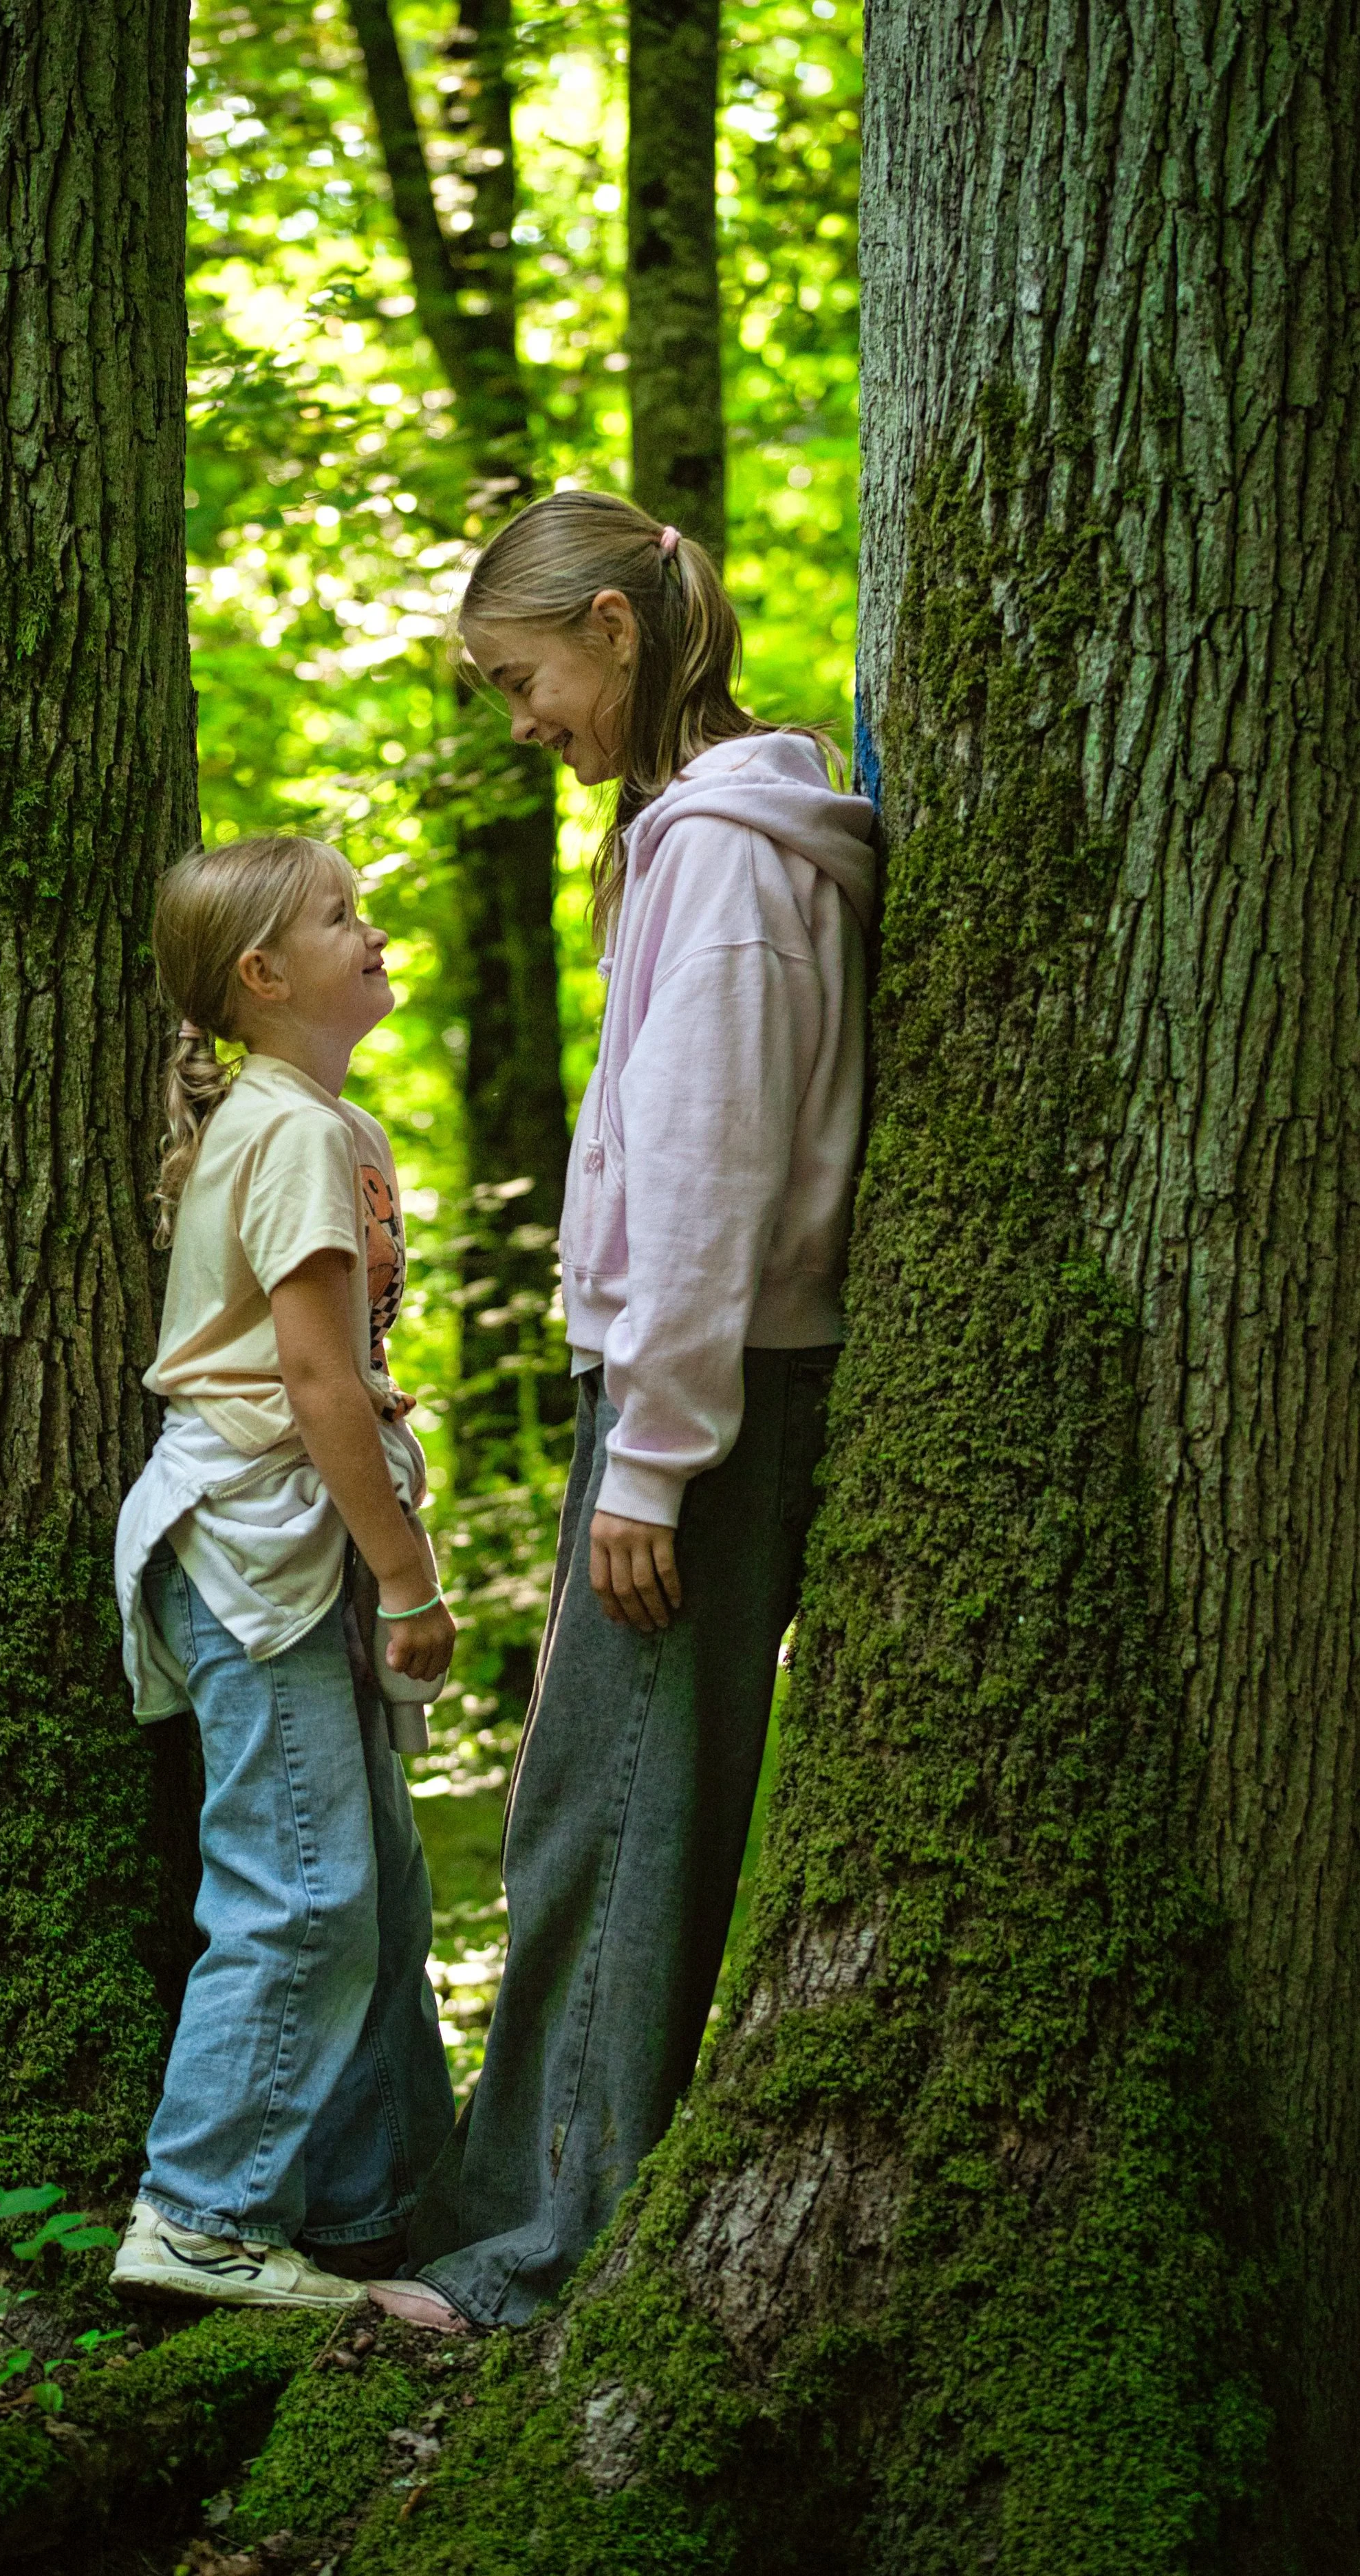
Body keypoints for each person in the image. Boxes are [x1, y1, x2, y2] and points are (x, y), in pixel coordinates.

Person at [369, 490, 876, 2333]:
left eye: (522, 681)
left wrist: (652, 1456)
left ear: (608, 625)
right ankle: (502, 2204)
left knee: (624, 1821)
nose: (522, 724)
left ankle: (537, 2259)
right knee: (584, 1806)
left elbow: (708, 1161)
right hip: (697, 1382)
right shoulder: (710, 836)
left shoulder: (731, 856)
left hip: (710, 1396)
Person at [107, 834, 456, 2313]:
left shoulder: (312, 1118)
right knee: (301, 1891)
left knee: (373, 1893)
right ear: (261, 978)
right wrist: (409, 1578)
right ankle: (201, 2216)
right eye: (338, 917)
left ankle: (371, 2216)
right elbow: (318, 1383)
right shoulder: (297, 1133)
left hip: (286, 1546)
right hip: (264, 1546)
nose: (369, 930)